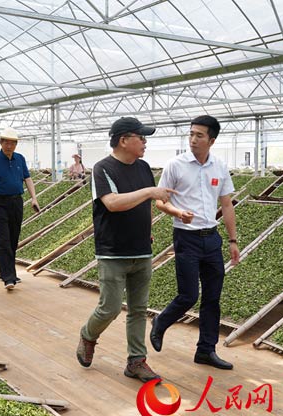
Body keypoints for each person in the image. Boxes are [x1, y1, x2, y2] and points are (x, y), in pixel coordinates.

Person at [76, 116, 176, 383]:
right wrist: (149, 192)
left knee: (138, 310)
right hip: (113, 252)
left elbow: (145, 204)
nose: (144, 142)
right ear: (123, 140)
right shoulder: (103, 168)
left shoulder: (143, 167)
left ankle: (136, 361)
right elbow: (112, 203)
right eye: (140, 137)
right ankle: (88, 335)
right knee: (109, 308)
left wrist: (147, 227)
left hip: (141, 250)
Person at [150, 115, 240, 370]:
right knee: (188, 295)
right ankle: (161, 322)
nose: (193, 139)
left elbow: (226, 205)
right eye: (191, 134)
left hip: (211, 238)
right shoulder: (175, 165)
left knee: (212, 298)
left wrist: (233, 240)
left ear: (212, 140)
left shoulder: (219, 167)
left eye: (199, 135)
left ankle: (206, 350)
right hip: (186, 238)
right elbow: (160, 201)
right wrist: (178, 212)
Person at [0, 127, 39, 290]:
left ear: (16, 144)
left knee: (13, 238)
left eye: (13, 143)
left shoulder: (19, 159)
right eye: (6, 143)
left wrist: (34, 198)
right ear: (1, 143)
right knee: (3, 239)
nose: (9, 146)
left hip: (16, 202)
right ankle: (8, 277)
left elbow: (27, 179)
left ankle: (8, 273)